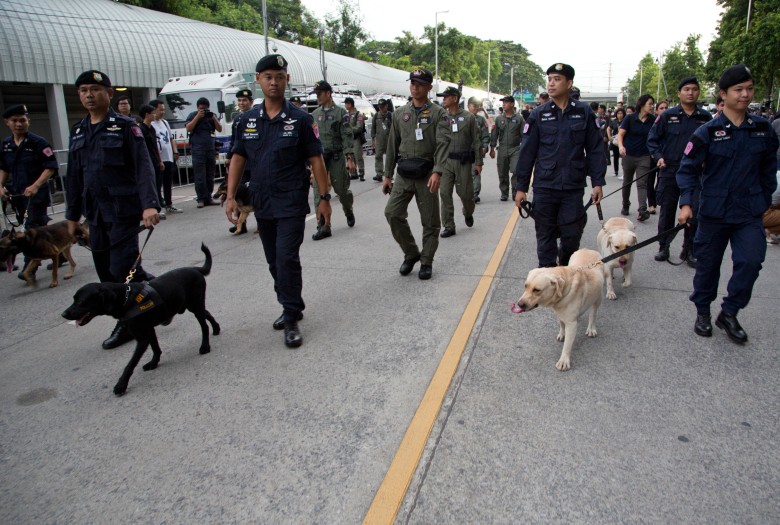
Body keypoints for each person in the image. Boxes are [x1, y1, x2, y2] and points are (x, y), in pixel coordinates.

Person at [225, 54, 331, 348]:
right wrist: (231, 196)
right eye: (268, 76)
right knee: (274, 260)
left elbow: (316, 161)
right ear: (258, 80)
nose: (274, 82)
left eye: (279, 76)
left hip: (292, 201)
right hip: (263, 202)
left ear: (287, 80)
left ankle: (290, 315)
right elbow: (237, 158)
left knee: (286, 258)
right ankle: (290, 303)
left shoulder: (300, 119)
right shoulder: (245, 121)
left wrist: (324, 198)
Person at [677, 64, 778, 344]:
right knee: (708, 266)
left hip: (748, 211)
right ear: (723, 94)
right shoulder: (707, 132)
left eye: (749, 89)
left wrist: (763, 197)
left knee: (751, 261)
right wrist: (687, 203)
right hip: (713, 212)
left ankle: (730, 312)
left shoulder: (763, 129)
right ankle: (703, 312)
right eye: (738, 90)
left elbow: (770, 168)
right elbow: (687, 169)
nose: (745, 95)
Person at [64, 70, 160, 349]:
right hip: (95, 214)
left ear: (109, 93)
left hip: (122, 210)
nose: (89, 95)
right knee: (106, 271)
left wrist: (149, 204)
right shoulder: (79, 130)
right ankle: (159, 293)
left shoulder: (126, 127)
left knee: (120, 271)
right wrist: (71, 216)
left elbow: (143, 167)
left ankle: (128, 322)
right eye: (83, 90)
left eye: (94, 89)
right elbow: (73, 176)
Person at [514, 62, 606, 268]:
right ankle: (547, 273)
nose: (551, 84)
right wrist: (521, 188)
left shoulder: (583, 112)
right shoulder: (539, 114)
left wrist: (598, 182)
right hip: (545, 185)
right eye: (549, 80)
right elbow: (527, 153)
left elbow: (595, 149)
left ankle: (565, 268)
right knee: (545, 234)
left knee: (571, 234)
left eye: (557, 79)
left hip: (572, 187)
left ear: (569, 83)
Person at [383, 67, 450, 280]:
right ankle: (411, 253)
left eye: (420, 84)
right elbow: (392, 145)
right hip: (403, 173)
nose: (415, 87)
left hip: (427, 173)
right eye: (412, 83)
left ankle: (426, 261)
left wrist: (438, 171)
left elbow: (443, 144)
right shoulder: (400, 114)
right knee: (392, 213)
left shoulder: (439, 114)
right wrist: (387, 174)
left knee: (430, 221)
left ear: (429, 87)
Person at [647, 76, 712, 265]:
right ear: (679, 93)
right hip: (670, 170)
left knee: (694, 212)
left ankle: (689, 250)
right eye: (686, 89)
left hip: (695, 174)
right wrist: (658, 157)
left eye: (694, 89)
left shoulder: (705, 118)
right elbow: (652, 140)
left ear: (698, 92)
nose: (690, 92)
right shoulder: (667, 116)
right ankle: (663, 247)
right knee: (667, 211)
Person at [0, 104, 59, 277]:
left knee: (32, 230)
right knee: (36, 228)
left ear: (28, 122)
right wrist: (1, 186)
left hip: (36, 195)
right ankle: (61, 252)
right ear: (7, 122)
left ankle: (30, 267)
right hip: (17, 195)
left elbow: (50, 167)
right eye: (15, 121)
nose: (19, 124)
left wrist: (36, 185)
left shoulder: (38, 142)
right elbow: (3, 168)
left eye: (23, 120)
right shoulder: (6, 145)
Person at [310, 80, 356, 240]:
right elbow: (312, 138)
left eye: (320, 94)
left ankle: (348, 210)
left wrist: (350, 158)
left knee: (341, 190)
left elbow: (346, 135)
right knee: (318, 192)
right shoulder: (315, 114)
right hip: (320, 159)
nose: (317, 97)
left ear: (328, 93)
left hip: (336, 157)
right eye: (316, 94)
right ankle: (323, 225)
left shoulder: (340, 113)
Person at [437, 86, 481, 237]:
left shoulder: (469, 118)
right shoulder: (442, 118)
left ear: (455, 98)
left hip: (463, 162)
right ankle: (449, 226)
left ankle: (468, 212)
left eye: (446, 96)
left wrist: (478, 163)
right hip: (446, 162)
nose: (443, 99)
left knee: (466, 196)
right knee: (444, 193)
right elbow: (438, 142)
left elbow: (476, 141)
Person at [617, 93, 655, 220]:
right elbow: (621, 135)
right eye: (650, 104)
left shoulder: (653, 120)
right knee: (627, 182)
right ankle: (625, 205)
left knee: (642, 183)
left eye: (652, 104)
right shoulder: (630, 118)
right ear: (642, 104)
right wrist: (621, 147)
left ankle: (642, 209)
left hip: (644, 156)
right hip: (628, 155)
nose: (652, 106)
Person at [224, 88, 254, 233]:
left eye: (244, 100)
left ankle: (263, 222)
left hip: (253, 161)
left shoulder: (256, 117)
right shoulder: (237, 119)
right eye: (239, 100)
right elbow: (234, 141)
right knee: (239, 192)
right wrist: (229, 156)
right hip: (241, 163)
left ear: (251, 102)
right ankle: (240, 224)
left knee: (255, 192)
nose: (241, 103)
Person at [185, 97, 222, 207]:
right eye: (202, 109)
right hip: (198, 149)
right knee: (200, 176)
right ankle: (201, 198)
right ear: (198, 108)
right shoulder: (192, 115)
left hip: (210, 149)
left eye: (206, 109)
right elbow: (188, 128)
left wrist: (213, 118)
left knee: (210, 175)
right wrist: (197, 116)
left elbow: (219, 129)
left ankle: (208, 197)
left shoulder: (211, 115)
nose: (204, 111)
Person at [150, 99, 182, 215]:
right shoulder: (151, 124)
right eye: (160, 109)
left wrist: (175, 152)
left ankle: (169, 204)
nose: (162, 112)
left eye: (163, 109)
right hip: (158, 159)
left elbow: (171, 138)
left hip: (168, 157)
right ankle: (159, 205)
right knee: (157, 183)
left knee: (168, 182)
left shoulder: (164, 122)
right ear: (153, 110)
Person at [489, 95, 525, 201]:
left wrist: (525, 148)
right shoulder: (499, 119)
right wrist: (492, 148)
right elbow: (494, 134)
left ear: (512, 104)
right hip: (503, 148)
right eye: (503, 102)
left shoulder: (519, 119)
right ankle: (504, 193)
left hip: (515, 148)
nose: (503, 104)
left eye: (506, 102)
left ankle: (515, 192)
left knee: (516, 171)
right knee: (502, 172)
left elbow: (524, 134)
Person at [138, 104, 166, 219]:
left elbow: (155, 146)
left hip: (155, 159)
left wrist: (160, 161)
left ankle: (157, 206)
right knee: (150, 184)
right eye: (153, 113)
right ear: (147, 115)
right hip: (147, 160)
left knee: (158, 184)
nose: (155, 115)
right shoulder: (141, 129)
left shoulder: (152, 129)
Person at [467, 96, 490, 203]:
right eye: (474, 106)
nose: (476, 108)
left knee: (475, 172)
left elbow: (485, 135)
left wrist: (485, 146)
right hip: (464, 152)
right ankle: (466, 193)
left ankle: (474, 194)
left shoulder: (481, 120)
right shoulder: (463, 118)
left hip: (477, 151)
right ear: (468, 106)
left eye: (477, 106)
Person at [344, 97, 367, 181]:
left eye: (346, 104)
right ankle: (353, 173)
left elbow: (359, 127)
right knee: (350, 156)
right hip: (348, 139)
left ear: (350, 104)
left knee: (358, 156)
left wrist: (349, 130)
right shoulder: (346, 115)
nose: (345, 105)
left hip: (356, 138)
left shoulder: (358, 115)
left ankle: (361, 173)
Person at [371, 98, 392, 182]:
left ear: (386, 106)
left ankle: (388, 174)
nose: (381, 108)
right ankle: (379, 174)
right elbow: (373, 128)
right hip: (379, 140)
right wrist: (373, 139)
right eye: (379, 107)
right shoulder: (376, 116)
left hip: (389, 139)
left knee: (389, 157)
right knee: (378, 156)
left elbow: (394, 128)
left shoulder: (390, 115)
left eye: (382, 107)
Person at [607, 108, 625, 177]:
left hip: (623, 141)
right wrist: (609, 136)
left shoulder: (625, 121)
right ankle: (616, 171)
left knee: (624, 157)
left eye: (621, 113)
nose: (620, 115)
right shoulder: (614, 121)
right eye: (618, 113)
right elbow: (608, 128)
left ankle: (624, 172)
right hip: (615, 141)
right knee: (615, 156)